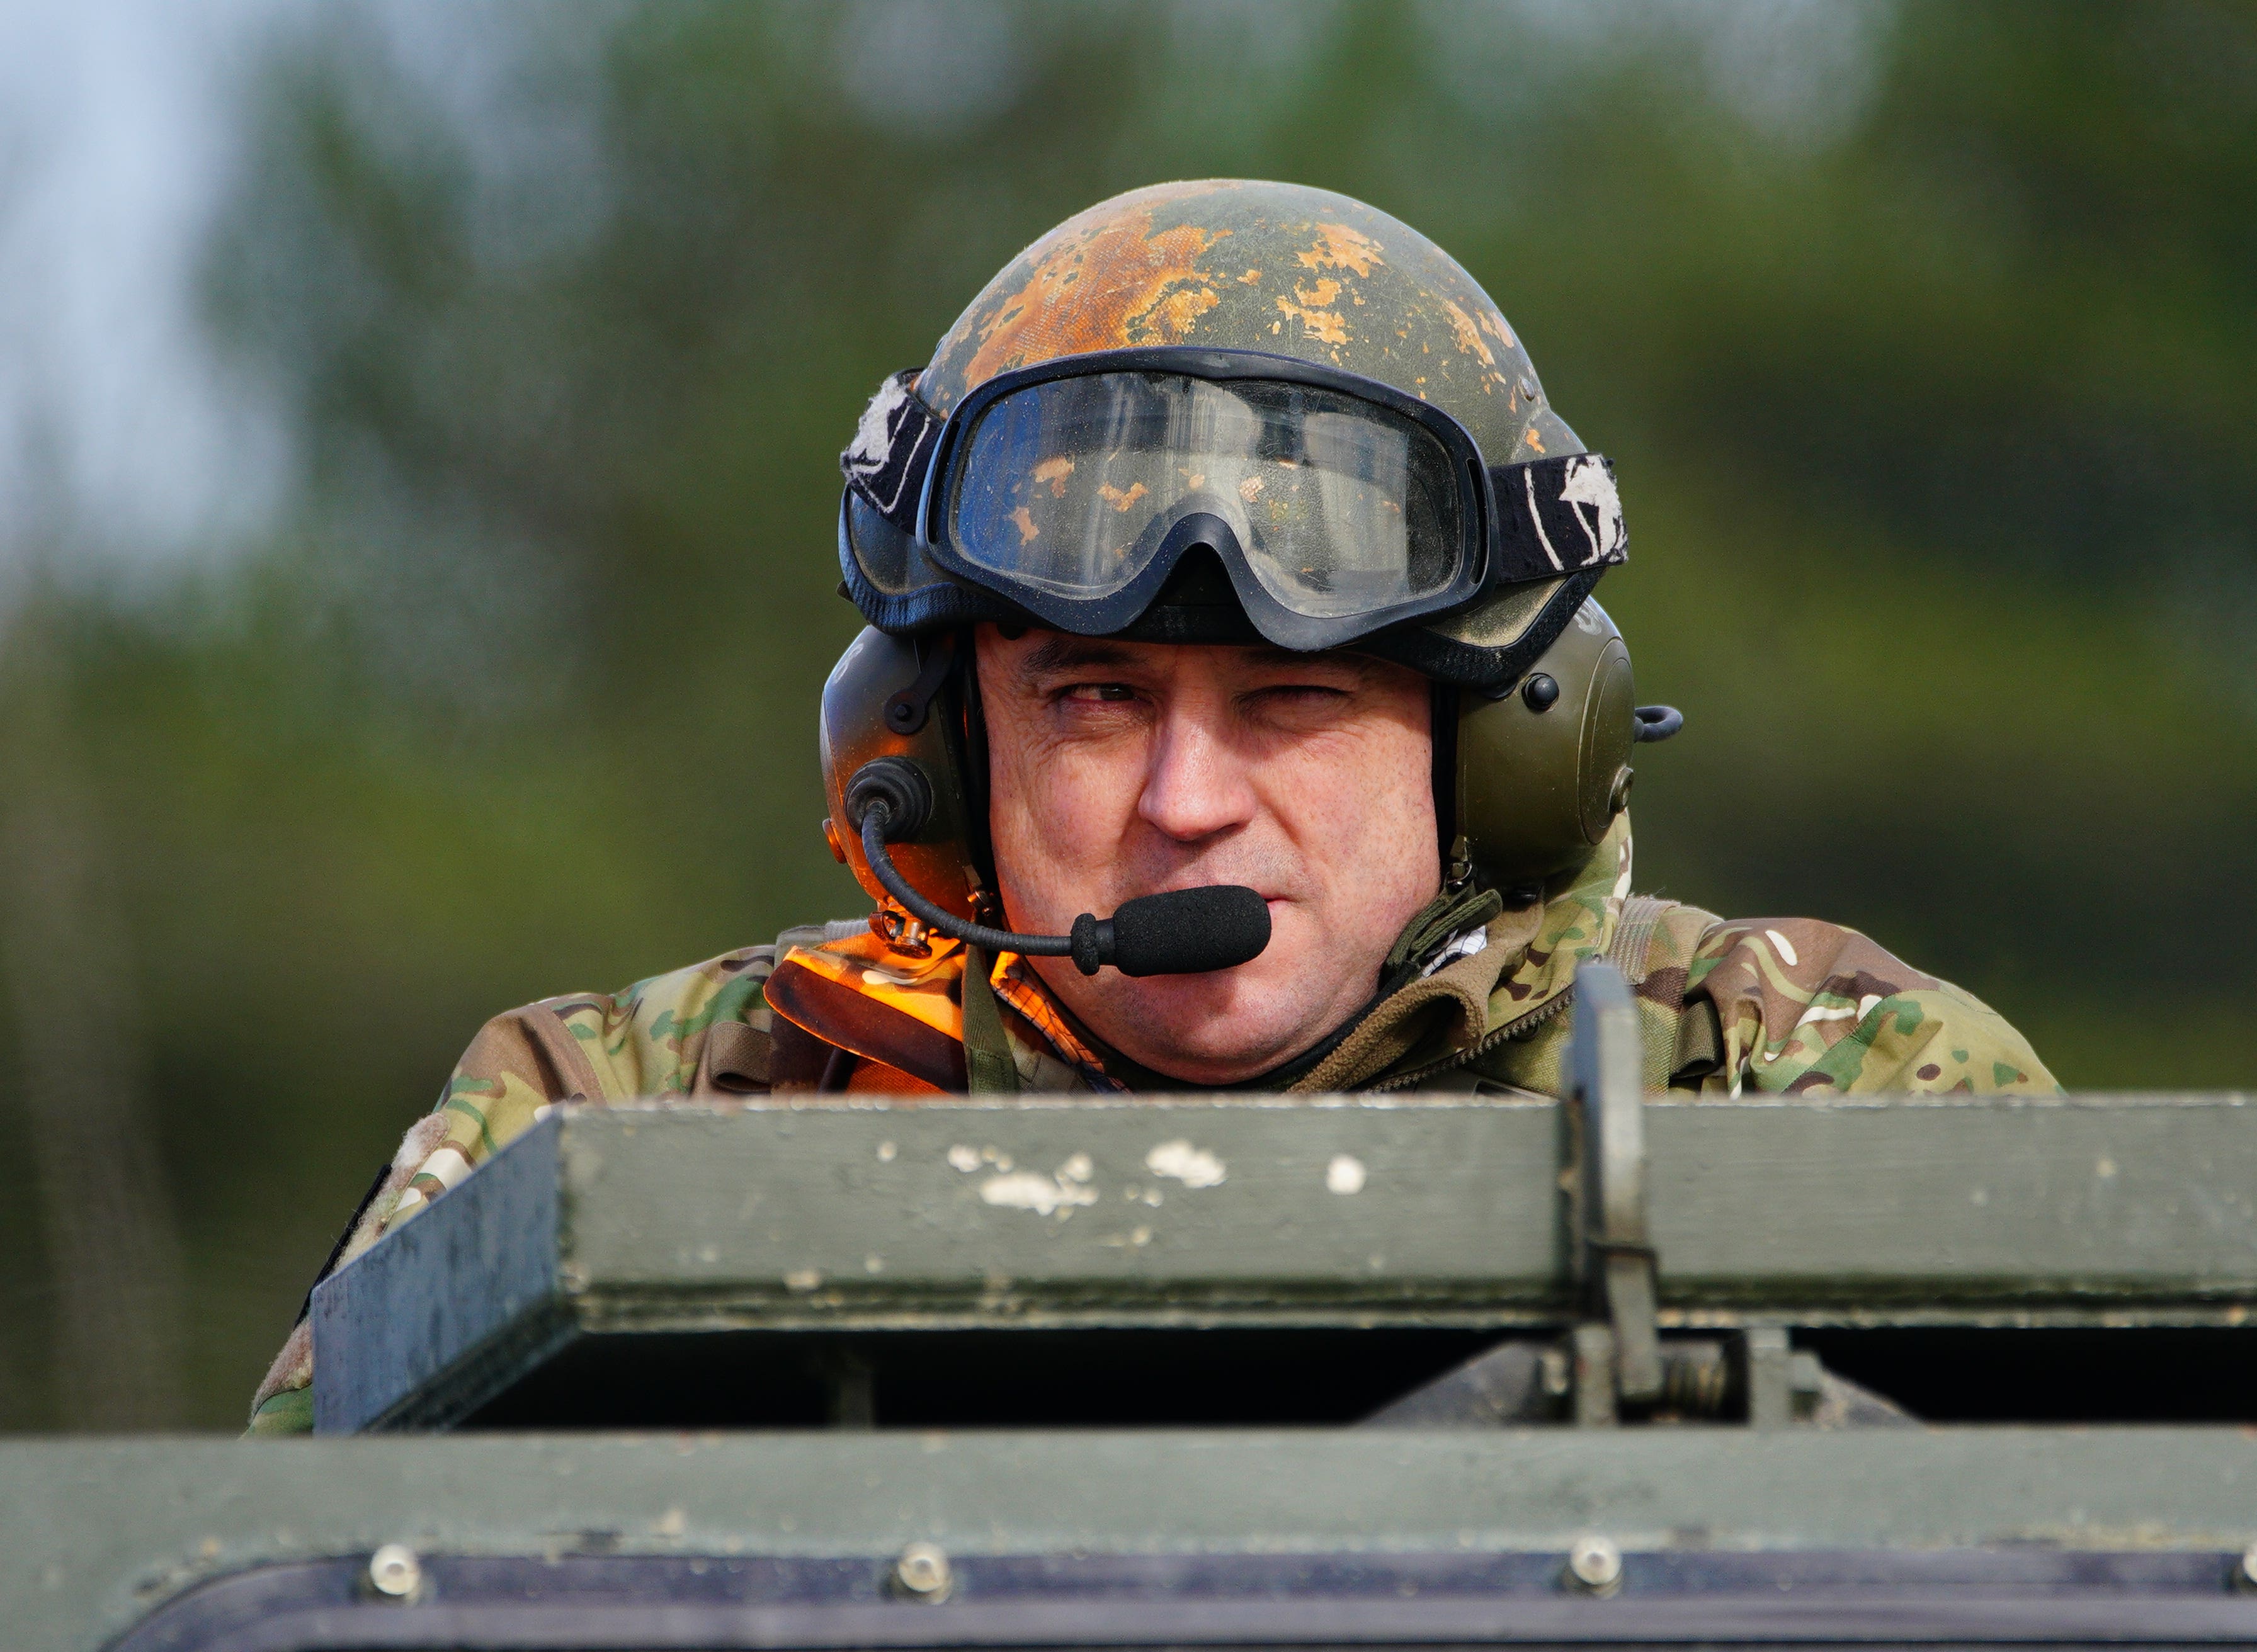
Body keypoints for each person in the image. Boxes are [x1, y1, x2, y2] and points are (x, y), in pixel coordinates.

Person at [246, 179, 2052, 1436]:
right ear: (935, 743)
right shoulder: (626, 1122)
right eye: (1095, 702)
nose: (1189, 804)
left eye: (1294, 704)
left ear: (1505, 745)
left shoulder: (1801, 1083)